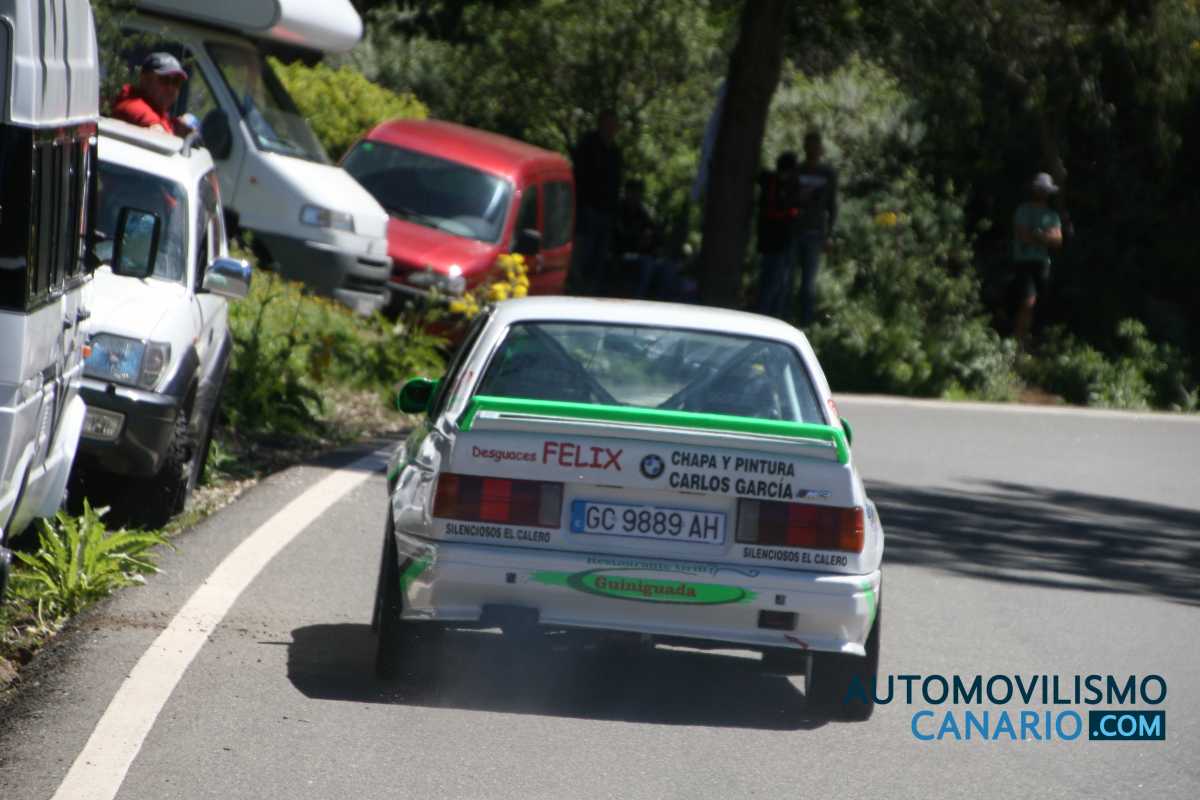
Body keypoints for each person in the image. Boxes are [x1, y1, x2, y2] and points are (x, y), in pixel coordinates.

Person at [568, 110, 623, 296]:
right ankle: (576, 286)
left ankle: (590, 289)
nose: (612, 129)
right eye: (609, 124)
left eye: (614, 125)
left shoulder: (615, 152)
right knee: (584, 250)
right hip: (588, 207)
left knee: (598, 254)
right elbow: (581, 175)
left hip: (606, 211)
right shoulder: (589, 145)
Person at [1009, 172, 1063, 344]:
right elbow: (1022, 235)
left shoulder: (1052, 215)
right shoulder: (1023, 210)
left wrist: (1039, 237)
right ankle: (1018, 343)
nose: (1043, 192)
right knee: (1028, 301)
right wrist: (1044, 237)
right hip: (1024, 262)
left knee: (1041, 305)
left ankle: (1033, 342)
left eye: (1045, 190)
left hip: (1042, 263)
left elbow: (1058, 240)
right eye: (1041, 189)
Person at [793, 131, 838, 326]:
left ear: (820, 149)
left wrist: (829, 235)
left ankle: (806, 323)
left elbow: (832, 206)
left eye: (815, 146)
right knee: (787, 279)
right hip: (794, 233)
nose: (812, 149)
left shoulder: (827, 174)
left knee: (808, 283)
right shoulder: (797, 171)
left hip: (815, 234)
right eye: (809, 145)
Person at [755, 152, 801, 318]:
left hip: (769, 241)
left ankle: (767, 314)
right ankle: (769, 316)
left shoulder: (769, 181)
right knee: (774, 284)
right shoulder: (779, 186)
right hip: (779, 242)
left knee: (771, 281)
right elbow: (784, 210)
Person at [615, 179, 676, 299]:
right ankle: (638, 298)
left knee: (668, 267)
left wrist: (653, 240)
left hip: (642, 254)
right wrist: (637, 239)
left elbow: (654, 234)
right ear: (627, 192)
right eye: (633, 192)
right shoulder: (619, 210)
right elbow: (620, 236)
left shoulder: (642, 213)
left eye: (638, 193)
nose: (636, 196)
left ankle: (661, 300)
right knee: (647, 264)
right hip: (623, 253)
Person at [111, 52, 194, 137]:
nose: (171, 87)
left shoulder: (160, 112)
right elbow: (155, 129)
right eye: (165, 79)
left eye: (176, 81)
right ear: (145, 80)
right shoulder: (131, 104)